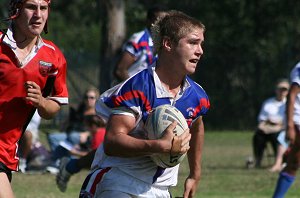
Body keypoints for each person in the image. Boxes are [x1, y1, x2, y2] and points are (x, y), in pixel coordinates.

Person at [79, 10, 210, 198]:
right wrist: (158, 145)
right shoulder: (138, 88)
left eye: (201, 44)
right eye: (192, 43)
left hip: (160, 190)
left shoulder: (196, 95)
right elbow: (113, 142)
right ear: (168, 44)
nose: (200, 51)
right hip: (118, 181)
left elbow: (197, 126)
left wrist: (195, 174)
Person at [0, 0, 68, 197]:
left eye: (43, 8)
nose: (38, 14)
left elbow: (54, 105)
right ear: (16, 10)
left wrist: (41, 101)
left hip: (6, 150)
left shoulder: (54, 57)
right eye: (31, 7)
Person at [46, 87, 99, 173]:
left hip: (85, 138)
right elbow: (71, 120)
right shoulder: (80, 109)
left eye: (91, 97)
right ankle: (58, 161)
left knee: (73, 137)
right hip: (71, 133)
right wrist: (65, 124)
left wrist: (87, 133)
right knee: (53, 137)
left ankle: (70, 162)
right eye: (86, 97)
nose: (88, 100)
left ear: (96, 99)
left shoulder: (98, 112)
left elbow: (100, 129)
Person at [113, 5, 168, 84]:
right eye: (159, 21)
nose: (162, 25)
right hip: (136, 93)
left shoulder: (166, 43)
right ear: (149, 21)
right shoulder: (138, 40)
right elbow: (120, 70)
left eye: (165, 21)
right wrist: (136, 89)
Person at [56, 115, 106, 192]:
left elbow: (94, 156)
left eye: (87, 127)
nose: (87, 130)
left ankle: (69, 166)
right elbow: (94, 154)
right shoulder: (101, 132)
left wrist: (75, 152)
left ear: (93, 126)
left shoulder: (99, 135)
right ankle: (69, 166)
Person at [272, 63, 300, 197]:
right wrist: (289, 126)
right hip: (298, 120)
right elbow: (292, 95)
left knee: (293, 163)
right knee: (294, 163)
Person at [251, 79, 289, 168]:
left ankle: (279, 161)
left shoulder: (289, 104)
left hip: (281, 128)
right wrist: (265, 126)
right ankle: (258, 160)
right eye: (280, 89)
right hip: (267, 127)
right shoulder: (268, 103)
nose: (282, 92)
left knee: (278, 137)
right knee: (258, 136)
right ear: (276, 90)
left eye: (285, 89)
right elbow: (262, 119)